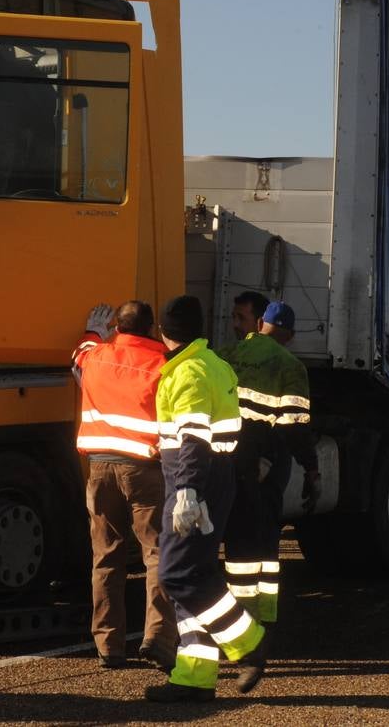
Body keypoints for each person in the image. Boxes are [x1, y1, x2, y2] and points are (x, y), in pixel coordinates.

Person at [145, 294, 266, 703]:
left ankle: (249, 643)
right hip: (214, 476)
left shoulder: (187, 372)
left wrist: (187, 491)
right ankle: (194, 678)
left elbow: (194, 438)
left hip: (195, 481)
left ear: (163, 332)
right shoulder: (214, 363)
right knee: (194, 574)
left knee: (177, 575)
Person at [72, 301, 178, 673]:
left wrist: (93, 331)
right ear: (151, 328)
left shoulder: (95, 356)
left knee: (106, 557)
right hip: (145, 469)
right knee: (157, 555)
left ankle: (108, 646)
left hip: (100, 468)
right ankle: (158, 639)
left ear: (118, 326)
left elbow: (78, 358)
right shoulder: (163, 363)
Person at [221, 300, 319, 638]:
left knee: (235, 541)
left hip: (225, 458)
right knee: (262, 542)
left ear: (260, 322)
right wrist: (312, 469)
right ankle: (259, 616)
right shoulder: (290, 366)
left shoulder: (226, 354)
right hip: (266, 466)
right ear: (290, 335)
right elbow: (295, 428)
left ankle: (235, 617)